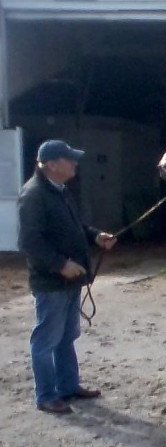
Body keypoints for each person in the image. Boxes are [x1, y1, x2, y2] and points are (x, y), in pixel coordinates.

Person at [18, 140, 117, 414]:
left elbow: (75, 227)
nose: (75, 163)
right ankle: (47, 396)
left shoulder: (59, 191)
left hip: (70, 280)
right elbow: (29, 242)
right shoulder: (34, 194)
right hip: (52, 282)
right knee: (46, 340)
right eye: (69, 159)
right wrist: (60, 265)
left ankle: (68, 387)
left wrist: (95, 235)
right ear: (52, 165)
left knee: (66, 337)